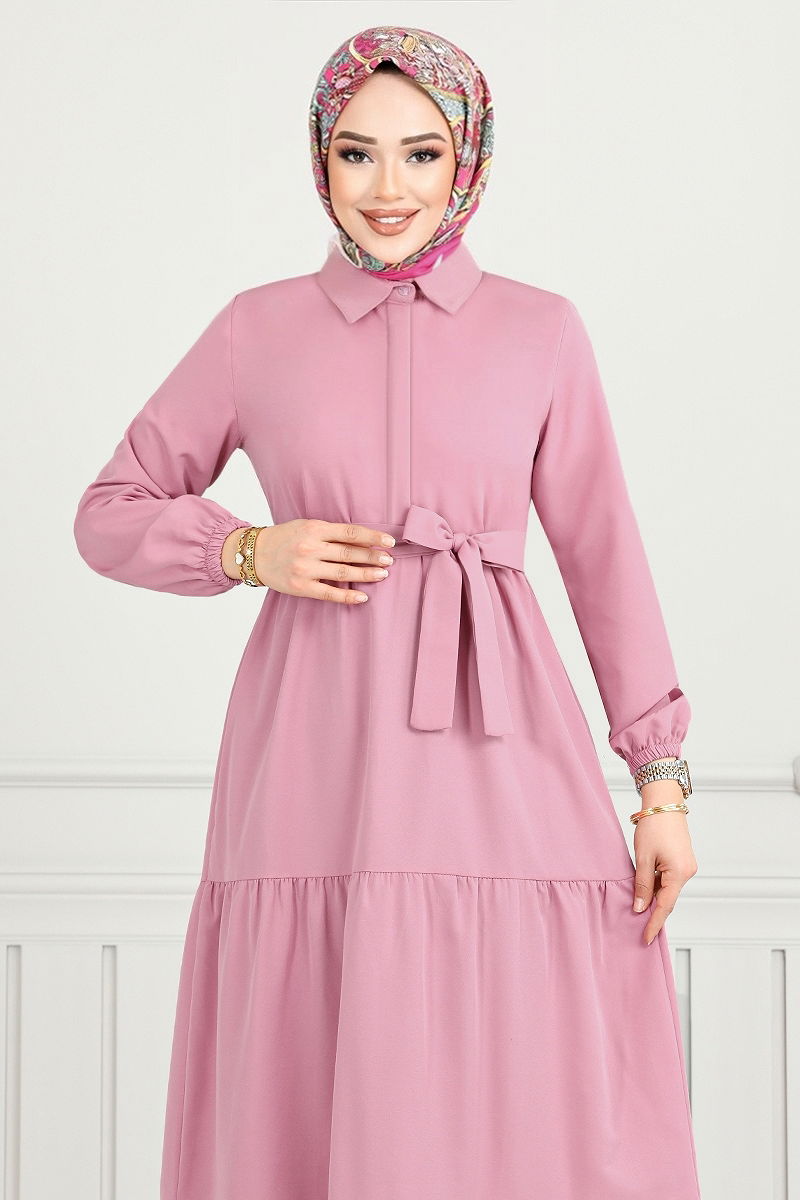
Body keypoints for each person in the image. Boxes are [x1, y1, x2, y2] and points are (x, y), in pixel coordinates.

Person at [73, 25, 702, 1200]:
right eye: (356, 153)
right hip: (315, 746)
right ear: (320, 158)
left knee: (532, 1051)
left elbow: (602, 555)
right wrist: (248, 549)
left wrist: (658, 784)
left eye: (421, 153)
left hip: (506, 741)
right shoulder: (255, 328)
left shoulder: (542, 330)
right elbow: (109, 510)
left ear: (467, 158)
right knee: (316, 1039)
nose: (387, 188)